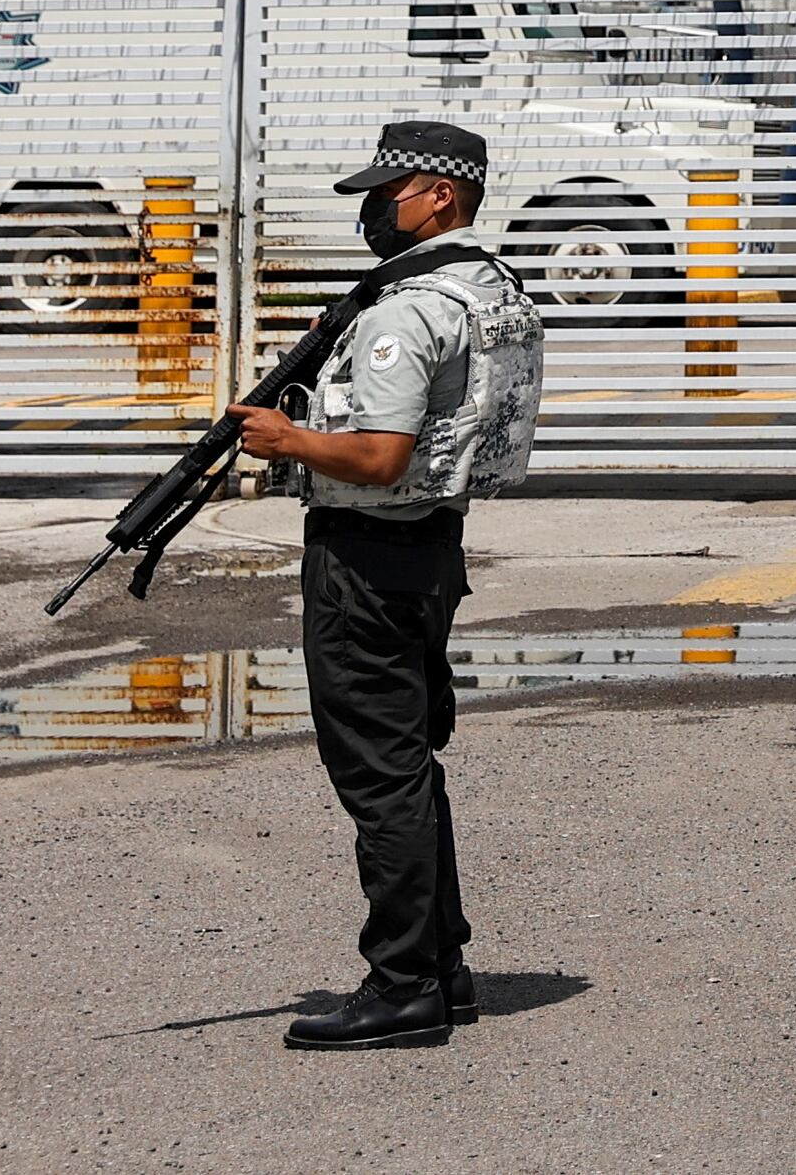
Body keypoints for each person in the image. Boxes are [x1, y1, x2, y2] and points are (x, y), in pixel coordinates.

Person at [230, 116, 544, 1052]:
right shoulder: (490, 286)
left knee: (379, 774)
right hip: (431, 550)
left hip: (367, 554)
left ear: (438, 194)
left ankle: (402, 981)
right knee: (408, 762)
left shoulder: (408, 308)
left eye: (388, 188)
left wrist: (286, 441)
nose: (375, 206)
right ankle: (441, 966)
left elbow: (376, 453)